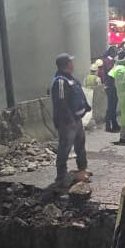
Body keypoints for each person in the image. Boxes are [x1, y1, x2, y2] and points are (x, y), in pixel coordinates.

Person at [50, 52, 91, 184]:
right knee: (65, 147)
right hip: (67, 122)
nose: (73, 64)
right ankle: (61, 175)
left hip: (77, 120)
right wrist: (69, 119)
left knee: (80, 145)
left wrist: (86, 107)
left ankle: (82, 169)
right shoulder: (61, 81)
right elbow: (61, 103)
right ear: (67, 64)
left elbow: (80, 94)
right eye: (71, 62)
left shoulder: (71, 79)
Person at [101, 46, 120, 133]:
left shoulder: (109, 59)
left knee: (113, 105)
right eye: (116, 52)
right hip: (110, 85)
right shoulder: (108, 60)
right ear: (112, 52)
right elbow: (110, 70)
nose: (117, 53)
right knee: (111, 105)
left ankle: (114, 123)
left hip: (112, 85)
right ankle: (109, 125)